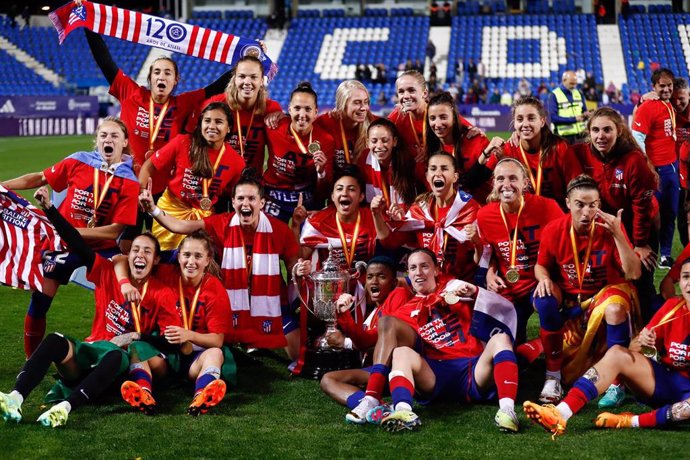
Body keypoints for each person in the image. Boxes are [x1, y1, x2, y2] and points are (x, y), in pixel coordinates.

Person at [0, 187, 180, 427]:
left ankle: (63, 409)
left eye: (147, 251)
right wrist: (50, 210)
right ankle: (15, 398)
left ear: (156, 260)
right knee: (55, 339)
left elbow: (172, 341)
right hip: (90, 355)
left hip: (118, 367)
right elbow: (77, 242)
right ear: (127, 255)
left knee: (116, 354)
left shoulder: (162, 292)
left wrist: (137, 336)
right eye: (136, 250)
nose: (140, 255)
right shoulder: (107, 272)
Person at [1, 117, 139, 357]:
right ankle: (31, 360)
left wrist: (70, 230)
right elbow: (40, 177)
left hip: (101, 247)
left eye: (115, 136)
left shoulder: (129, 181)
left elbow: (115, 231)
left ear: (125, 142)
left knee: (120, 300)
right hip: (63, 244)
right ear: (96, 139)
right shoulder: (79, 160)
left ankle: (119, 356)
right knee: (41, 298)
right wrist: (2, 187)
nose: (109, 139)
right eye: (104, 135)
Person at [140, 171, 303, 358]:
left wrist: (297, 269)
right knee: (216, 346)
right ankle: (241, 341)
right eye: (240, 198)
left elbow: (292, 265)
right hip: (232, 302)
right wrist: (153, 209)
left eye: (251, 198)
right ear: (233, 202)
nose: (246, 204)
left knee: (297, 354)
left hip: (271, 303)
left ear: (262, 203)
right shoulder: (221, 223)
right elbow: (181, 227)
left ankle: (251, 340)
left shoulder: (279, 230)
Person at [524, 257, 690, 436]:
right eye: (686, 277)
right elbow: (633, 350)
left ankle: (629, 421)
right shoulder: (673, 307)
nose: (689, 284)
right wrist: (643, 341)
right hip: (666, 382)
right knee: (617, 353)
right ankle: (560, 413)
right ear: (679, 281)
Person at [376, 249, 521, 433]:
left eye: (424, 266)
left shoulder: (454, 288)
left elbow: (501, 307)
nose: (418, 272)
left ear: (436, 270)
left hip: (473, 370)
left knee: (501, 339)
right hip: (434, 374)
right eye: (413, 268)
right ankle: (403, 411)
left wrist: (475, 292)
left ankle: (507, 411)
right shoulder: (402, 312)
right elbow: (377, 339)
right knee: (400, 352)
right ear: (408, 274)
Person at [532, 174, 642, 405]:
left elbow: (634, 273)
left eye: (592, 205)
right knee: (544, 299)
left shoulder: (609, 228)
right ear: (568, 203)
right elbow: (541, 265)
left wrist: (618, 234)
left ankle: (616, 382)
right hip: (573, 301)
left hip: (608, 293)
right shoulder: (554, 229)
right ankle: (552, 376)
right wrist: (543, 279)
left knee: (613, 308)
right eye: (579, 205)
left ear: (599, 205)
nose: (586, 212)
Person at [115, 230, 233, 416]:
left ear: (207, 260)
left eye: (198, 256)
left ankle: (201, 396)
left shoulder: (215, 290)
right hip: (165, 353)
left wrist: (189, 335)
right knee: (136, 348)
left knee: (216, 353)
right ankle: (143, 394)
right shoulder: (166, 272)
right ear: (178, 257)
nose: (191, 262)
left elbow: (217, 340)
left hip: (195, 357)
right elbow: (120, 259)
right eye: (186, 255)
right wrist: (124, 283)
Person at [574, 107, 659, 321]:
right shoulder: (581, 153)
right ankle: (609, 333)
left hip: (639, 226)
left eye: (607, 130)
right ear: (589, 132)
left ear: (619, 131)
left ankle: (649, 335)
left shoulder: (634, 159)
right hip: (608, 228)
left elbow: (642, 205)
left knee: (642, 281)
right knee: (607, 280)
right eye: (595, 130)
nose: (600, 136)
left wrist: (640, 243)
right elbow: (553, 149)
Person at [476, 158, 564, 344]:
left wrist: (551, 276)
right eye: (500, 179)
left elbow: (565, 241)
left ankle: (553, 370)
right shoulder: (484, 215)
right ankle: (535, 348)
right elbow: (490, 253)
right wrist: (490, 275)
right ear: (494, 183)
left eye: (512, 178)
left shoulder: (547, 207)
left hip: (538, 282)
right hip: (508, 286)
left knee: (546, 302)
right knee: (508, 346)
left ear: (525, 183)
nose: (506, 185)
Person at [138, 102, 244, 251]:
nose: (212, 126)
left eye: (219, 122)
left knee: (195, 264)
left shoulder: (236, 162)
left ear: (229, 129)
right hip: (170, 211)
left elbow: (237, 197)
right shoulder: (183, 142)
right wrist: (142, 192)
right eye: (207, 121)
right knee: (163, 263)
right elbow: (148, 166)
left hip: (203, 220)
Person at [374, 152, 482, 283]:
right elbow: (389, 242)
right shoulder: (419, 210)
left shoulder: (470, 209)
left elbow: (481, 260)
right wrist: (377, 215)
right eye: (433, 169)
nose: (438, 173)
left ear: (455, 177)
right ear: (427, 176)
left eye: (444, 168)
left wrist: (477, 242)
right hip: (426, 285)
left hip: (461, 286)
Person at [319, 257, 401, 408]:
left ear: (394, 283)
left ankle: (373, 407)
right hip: (374, 369)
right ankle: (377, 409)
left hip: (392, 370)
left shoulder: (398, 296)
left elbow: (369, 341)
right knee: (327, 379)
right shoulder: (376, 309)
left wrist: (346, 340)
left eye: (381, 276)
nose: (374, 281)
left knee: (329, 379)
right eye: (370, 277)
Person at [189, 55, 284, 174]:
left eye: (254, 77)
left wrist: (283, 117)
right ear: (235, 79)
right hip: (217, 180)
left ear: (261, 81)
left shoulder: (271, 109)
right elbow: (193, 135)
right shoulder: (215, 104)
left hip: (251, 183)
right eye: (242, 76)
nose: (247, 82)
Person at [487, 96, 583, 210]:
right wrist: (486, 153)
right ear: (514, 123)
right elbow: (484, 183)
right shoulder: (508, 149)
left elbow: (578, 187)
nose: (525, 124)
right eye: (520, 119)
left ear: (542, 121)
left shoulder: (560, 147)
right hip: (521, 218)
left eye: (531, 118)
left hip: (556, 216)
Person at [263, 81, 336, 222]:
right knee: (269, 236)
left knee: (308, 241)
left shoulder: (326, 140)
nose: (302, 114)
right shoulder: (273, 127)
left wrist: (321, 173)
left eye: (308, 109)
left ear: (316, 112)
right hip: (273, 194)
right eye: (297, 108)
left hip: (307, 197)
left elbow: (324, 193)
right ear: (289, 109)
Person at [632, 68, 677, 269]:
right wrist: (648, 165)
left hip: (673, 167)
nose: (666, 89)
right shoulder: (648, 107)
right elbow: (637, 138)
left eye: (669, 85)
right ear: (654, 87)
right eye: (662, 86)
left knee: (671, 213)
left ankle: (665, 255)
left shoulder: (670, 104)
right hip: (656, 169)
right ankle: (648, 254)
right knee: (652, 215)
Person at [425, 91, 498, 203]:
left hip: (483, 207)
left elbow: (479, 180)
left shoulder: (476, 140)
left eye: (443, 117)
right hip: (453, 213)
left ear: (454, 118)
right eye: (433, 118)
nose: (438, 124)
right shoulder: (431, 148)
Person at [359, 118, 417, 210]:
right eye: (374, 141)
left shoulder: (409, 160)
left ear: (394, 141)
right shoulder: (363, 159)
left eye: (385, 140)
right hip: (374, 219)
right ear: (367, 142)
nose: (379, 146)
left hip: (406, 218)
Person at [315, 80, 374, 169]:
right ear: (342, 104)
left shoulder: (374, 123)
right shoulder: (323, 123)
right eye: (357, 102)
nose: (363, 108)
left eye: (365, 102)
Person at [547, 70, 590, 144]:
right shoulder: (554, 95)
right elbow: (553, 118)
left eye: (575, 83)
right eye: (571, 83)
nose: (574, 86)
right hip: (563, 136)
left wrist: (586, 114)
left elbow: (584, 110)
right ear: (564, 80)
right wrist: (574, 119)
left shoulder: (579, 93)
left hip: (581, 135)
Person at [672, 78, 690, 246]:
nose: (677, 102)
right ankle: (687, 251)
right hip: (675, 171)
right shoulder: (667, 112)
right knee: (682, 215)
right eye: (673, 98)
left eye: (681, 98)